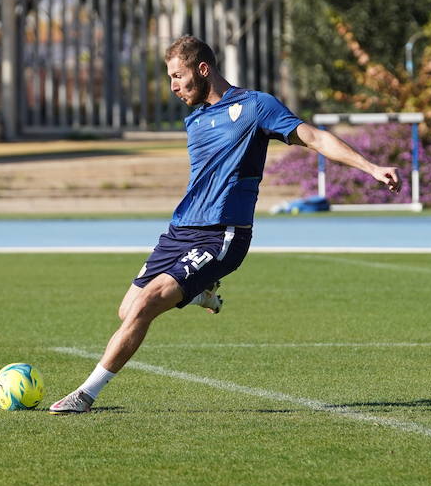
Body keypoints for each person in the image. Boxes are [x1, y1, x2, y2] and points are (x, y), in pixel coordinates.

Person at [48, 35, 401, 415]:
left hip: (222, 235)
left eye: (177, 76)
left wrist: (371, 167)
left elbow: (313, 137)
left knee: (146, 306)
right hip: (180, 231)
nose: (173, 86)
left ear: (203, 69)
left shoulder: (255, 107)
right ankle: (199, 291)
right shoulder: (195, 120)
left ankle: (85, 395)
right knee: (127, 310)